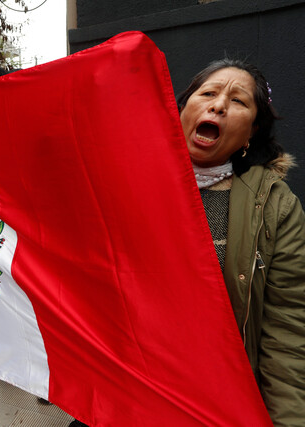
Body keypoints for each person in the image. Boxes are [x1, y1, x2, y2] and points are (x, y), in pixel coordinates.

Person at [67, 60, 305, 427]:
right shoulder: (121, 179)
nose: (219, 105)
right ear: (181, 110)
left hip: (212, 401)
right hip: (123, 392)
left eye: (238, 101)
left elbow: (286, 329)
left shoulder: (275, 206)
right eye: (207, 93)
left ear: (251, 134)